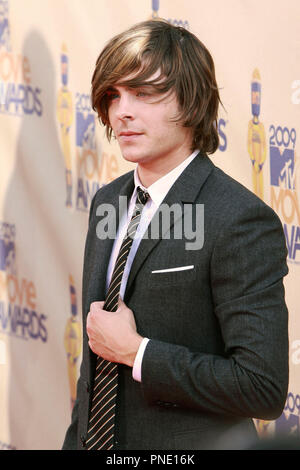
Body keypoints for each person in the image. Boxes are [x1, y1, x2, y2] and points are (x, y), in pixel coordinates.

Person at [62, 19, 289, 450]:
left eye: (144, 93)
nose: (121, 110)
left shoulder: (237, 218)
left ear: (192, 98)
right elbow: (95, 370)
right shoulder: (109, 201)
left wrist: (137, 353)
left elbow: (263, 387)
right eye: (113, 95)